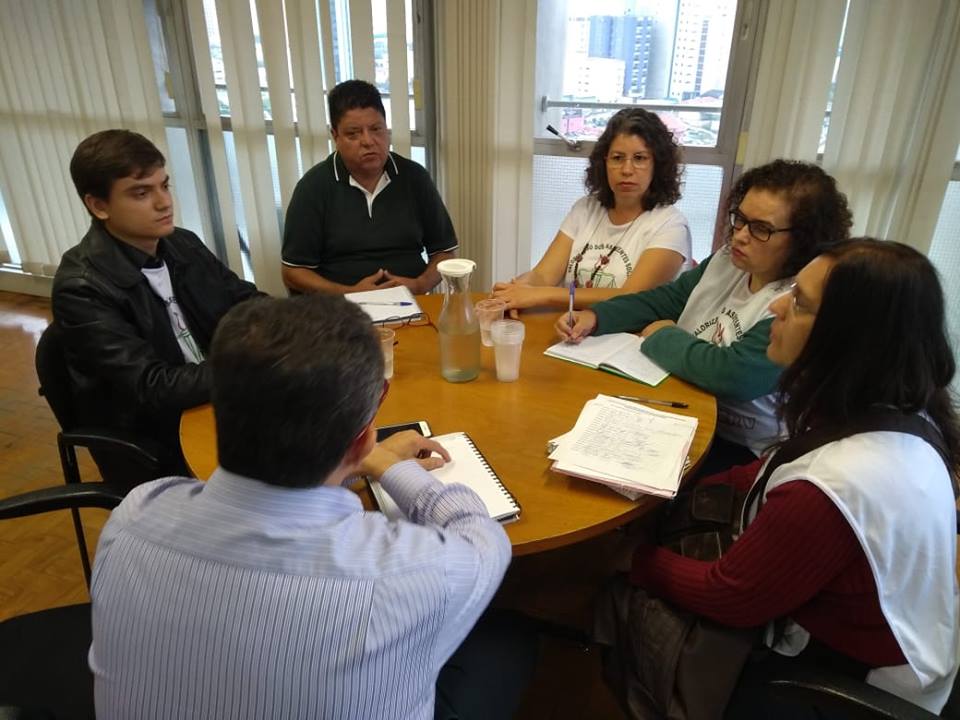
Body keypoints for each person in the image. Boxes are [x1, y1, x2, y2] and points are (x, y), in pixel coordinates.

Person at [88, 294, 527, 720]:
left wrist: (350, 461)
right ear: (364, 437)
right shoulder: (410, 573)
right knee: (508, 644)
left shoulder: (133, 515)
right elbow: (482, 535)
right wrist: (388, 465)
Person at [627, 239, 960, 715]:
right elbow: (771, 467)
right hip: (900, 638)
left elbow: (729, 596)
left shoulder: (834, 487)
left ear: (846, 336)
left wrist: (634, 559)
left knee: (632, 602)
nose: (777, 307)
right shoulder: (899, 414)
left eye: (799, 302)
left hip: (837, 680)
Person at [557, 159, 852, 469]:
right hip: (683, 407)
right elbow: (667, 299)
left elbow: (734, 374)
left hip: (740, 446)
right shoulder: (728, 260)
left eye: (761, 229)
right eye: (740, 219)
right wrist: (597, 317)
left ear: (804, 239)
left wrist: (661, 335)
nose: (740, 235)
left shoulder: (799, 300)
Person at [52, 129, 261, 481]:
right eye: (141, 193)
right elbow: (153, 387)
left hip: (214, 401)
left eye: (165, 186)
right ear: (99, 206)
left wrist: (299, 326)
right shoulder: (81, 288)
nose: (164, 203)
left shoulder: (182, 244)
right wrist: (249, 367)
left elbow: (243, 300)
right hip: (156, 438)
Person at [492, 108, 691, 312]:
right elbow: (543, 275)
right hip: (568, 326)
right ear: (604, 162)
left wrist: (540, 295)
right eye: (617, 158)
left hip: (633, 330)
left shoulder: (671, 225)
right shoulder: (585, 208)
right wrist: (514, 292)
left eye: (640, 158)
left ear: (657, 165)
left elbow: (630, 296)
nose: (627, 170)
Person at [282, 79, 458, 294]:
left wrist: (420, 284)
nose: (368, 141)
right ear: (335, 136)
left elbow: (444, 252)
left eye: (376, 129)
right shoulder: (313, 187)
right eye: (353, 133)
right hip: (340, 305)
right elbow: (293, 271)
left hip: (409, 300)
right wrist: (349, 293)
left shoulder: (414, 178)